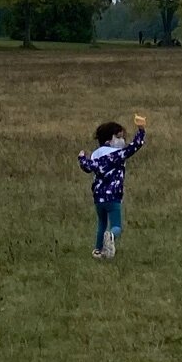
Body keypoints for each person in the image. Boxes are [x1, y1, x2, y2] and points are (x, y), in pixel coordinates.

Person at [78, 111, 147, 260]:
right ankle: (111, 237)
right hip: (114, 196)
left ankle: (97, 250)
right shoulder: (117, 154)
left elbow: (87, 167)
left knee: (101, 223)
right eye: (119, 137)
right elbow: (134, 146)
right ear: (109, 140)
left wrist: (82, 157)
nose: (122, 140)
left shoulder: (96, 155)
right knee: (116, 226)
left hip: (98, 198)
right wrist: (141, 130)